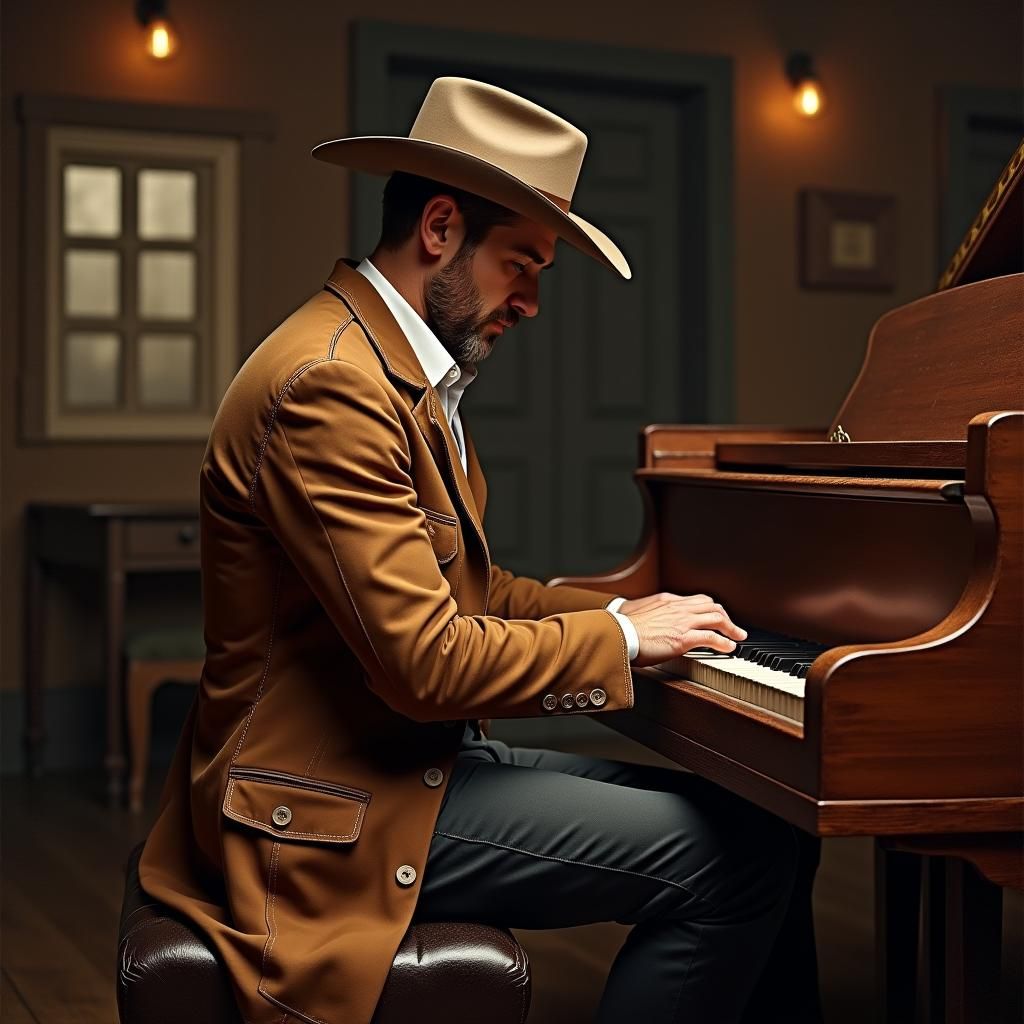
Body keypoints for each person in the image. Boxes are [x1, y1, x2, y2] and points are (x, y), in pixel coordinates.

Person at [139, 76, 821, 1024]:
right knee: (736, 864)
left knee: (774, 826)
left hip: (402, 769)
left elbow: (475, 590)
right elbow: (427, 664)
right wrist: (626, 642)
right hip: (321, 810)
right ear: (440, 228)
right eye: (521, 264)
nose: (532, 301)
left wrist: (622, 614)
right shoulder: (330, 386)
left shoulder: (400, 372)